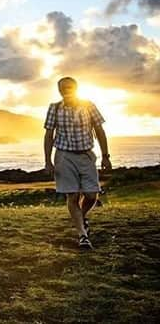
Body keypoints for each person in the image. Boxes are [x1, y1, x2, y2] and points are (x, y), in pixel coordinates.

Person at [44, 77, 112, 249]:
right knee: (72, 195)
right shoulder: (54, 108)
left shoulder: (89, 105)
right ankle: (82, 235)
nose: (66, 90)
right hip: (64, 156)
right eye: (63, 88)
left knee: (91, 194)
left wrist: (105, 155)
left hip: (86, 155)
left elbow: (99, 130)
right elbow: (48, 135)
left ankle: (81, 217)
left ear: (76, 88)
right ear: (59, 90)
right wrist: (48, 161)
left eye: (70, 87)